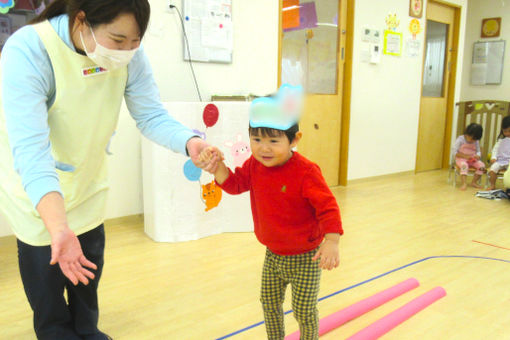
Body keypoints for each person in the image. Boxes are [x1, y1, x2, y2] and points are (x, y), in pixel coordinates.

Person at [0, 1, 218, 339]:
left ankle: (88, 331)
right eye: (118, 40)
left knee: (87, 282)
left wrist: (189, 142)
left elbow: (150, 115)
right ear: (81, 20)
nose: (126, 52)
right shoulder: (29, 50)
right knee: (49, 301)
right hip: (38, 199)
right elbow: (32, 153)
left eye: (135, 43)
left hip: (88, 187)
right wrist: (58, 229)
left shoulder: (128, 55)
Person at [200, 84, 343, 340]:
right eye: (257, 140)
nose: (264, 148)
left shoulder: (307, 172)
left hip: (306, 257)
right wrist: (217, 166)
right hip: (273, 255)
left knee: (303, 310)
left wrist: (331, 241)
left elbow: (328, 207)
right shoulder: (255, 165)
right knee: (268, 303)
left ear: (294, 140)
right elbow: (234, 184)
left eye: (274, 141)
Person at [452, 123, 485, 190]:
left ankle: (474, 182)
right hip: (461, 159)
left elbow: (478, 151)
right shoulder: (460, 139)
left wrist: (478, 155)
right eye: (471, 138)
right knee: (464, 166)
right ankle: (464, 183)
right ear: (466, 133)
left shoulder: (476, 141)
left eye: (474, 140)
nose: (472, 141)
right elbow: (454, 152)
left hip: (472, 159)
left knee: (482, 166)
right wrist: (465, 156)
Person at [488, 116, 510, 190]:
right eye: (505, 131)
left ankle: (508, 186)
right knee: (492, 170)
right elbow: (495, 150)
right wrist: (493, 157)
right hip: (500, 161)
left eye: (509, 131)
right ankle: (492, 185)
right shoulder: (500, 140)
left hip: (509, 162)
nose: (507, 133)